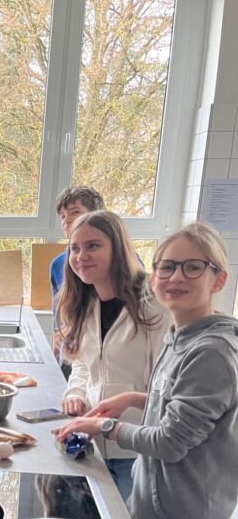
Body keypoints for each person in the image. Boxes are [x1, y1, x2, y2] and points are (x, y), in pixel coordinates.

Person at [56, 222, 238, 519]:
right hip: (157, 505)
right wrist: (133, 399)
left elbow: (172, 441)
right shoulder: (183, 335)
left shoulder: (212, 350)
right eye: (167, 267)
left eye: (192, 267)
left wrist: (104, 426)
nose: (176, 277)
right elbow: (171, 401)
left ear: (218, 280)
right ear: (154, 276)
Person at [54, 210, 167, 501]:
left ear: (118, 248)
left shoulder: (152, 304)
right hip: (93, 443)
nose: (81, 256)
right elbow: (83, 362)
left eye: (93, 245)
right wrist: (75, 392)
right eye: (74, 248)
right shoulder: (84, 303)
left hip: (136, 449)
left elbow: (166, 384)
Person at [51, 186, 106, 375]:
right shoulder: (57, 265)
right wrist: (58, 338)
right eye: (62, 216)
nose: (67, 220)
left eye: (75, 212)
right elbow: (59, 316)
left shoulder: (121, 261)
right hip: (72, 351)